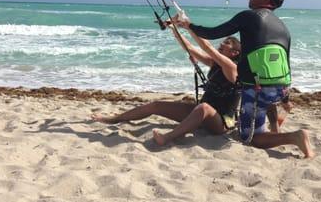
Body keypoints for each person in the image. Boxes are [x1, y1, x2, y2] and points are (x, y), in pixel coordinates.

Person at [176, 0, 315, 158]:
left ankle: (295, 137)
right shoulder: (283, 27)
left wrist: (189, 25)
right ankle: (275, 129)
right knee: (266, 104)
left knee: (250, 138)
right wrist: (286, 98)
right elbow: (285, 62)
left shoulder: (249, 16)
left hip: (257, 88)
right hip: (281, 87)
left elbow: (213, 33)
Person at [92, 24, 241, 146]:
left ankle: (168, 137)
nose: (221, 44)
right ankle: (115, 118)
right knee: (156, 105)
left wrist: (189, 26)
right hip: (200, 116)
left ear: (234, 53)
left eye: (226, 43)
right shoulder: (214, 63)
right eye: (223, 42)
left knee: (203, 107)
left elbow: (207, 47)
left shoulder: (232, 68)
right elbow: (189, 48)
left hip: (220, 123)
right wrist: (174, 28)